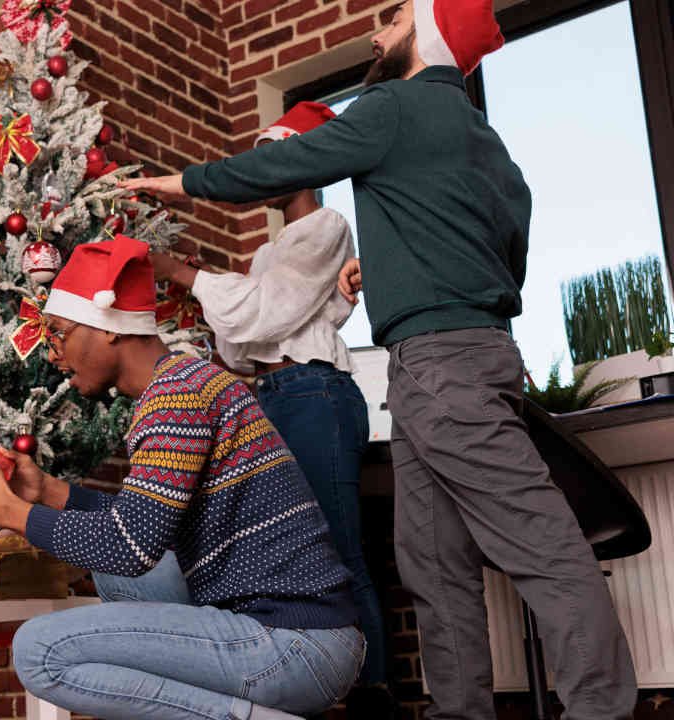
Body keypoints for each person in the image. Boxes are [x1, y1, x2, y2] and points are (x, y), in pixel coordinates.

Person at [121, 1, 636, 717]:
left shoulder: (391, 106)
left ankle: (603, 711)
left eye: (391, 20)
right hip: (456, 361)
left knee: (544, 550)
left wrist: (174, 183)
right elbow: (503, 258)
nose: (374, 33)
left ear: (425, 31)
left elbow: (290, 161)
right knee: (433, 564)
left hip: (442, 369)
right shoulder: (488, 144)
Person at [0, 237, 363, 720]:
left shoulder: (176, 397)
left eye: (60, 333)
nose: (53, 354)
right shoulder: (185, 380)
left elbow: (128, 546)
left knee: (39, 651)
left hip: (293, 643)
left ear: (107, 328)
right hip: (299, 633)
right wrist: (47, 492)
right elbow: (140, 526)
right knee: (123, 574)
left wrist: (9, 512)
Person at [150, 101, 393, 715]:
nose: (264, 169)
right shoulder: (266, 254)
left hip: (316, 394)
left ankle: (373, 694)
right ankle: (316, 688)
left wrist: (183, 273)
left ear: (308, 164)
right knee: (294, 547)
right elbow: (240, 344)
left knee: (335, 544)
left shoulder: (327, 227)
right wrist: (213, 296)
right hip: (273, 397)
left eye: (276, 155)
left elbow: (269, 314)